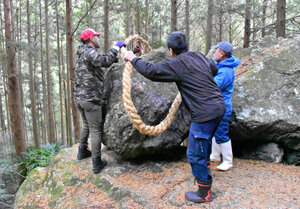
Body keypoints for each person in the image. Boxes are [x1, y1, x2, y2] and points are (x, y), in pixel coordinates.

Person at [124, 32, 226, 203]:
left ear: (171, 50)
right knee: (204, 145)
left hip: (204, 113)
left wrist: (133, 58)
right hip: (218, 107)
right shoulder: (197, 55)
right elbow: (214, 68)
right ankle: (204, 176)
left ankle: (205, 193)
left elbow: (152, 72)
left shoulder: (177, 63)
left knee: (194, 153)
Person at [75, 28, 125, 174]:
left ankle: (82, 150)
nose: (98, 39)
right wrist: (116, 48)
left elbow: (100, 62)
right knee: (95, 130)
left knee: (86, 124)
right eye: (96, 37)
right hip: (90, 99)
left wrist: (111, 59)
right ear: (91, 39)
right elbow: (103, 60)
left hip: (79, 98)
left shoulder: (83, 52)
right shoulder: (90, 52)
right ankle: (97, 162)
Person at [210, 42, 241, 171]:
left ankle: (228, 161)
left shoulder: (226, 71)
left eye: (216, 51)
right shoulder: (222, 66)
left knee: (221, 132)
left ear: (222, 54)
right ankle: (215, 155)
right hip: (217, 105)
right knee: (215, 130)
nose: (214, 53)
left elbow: (213, 86)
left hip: (222, 107)